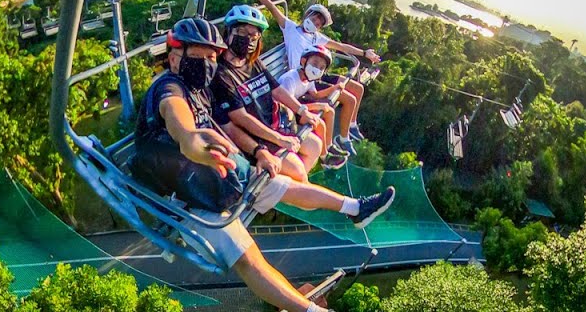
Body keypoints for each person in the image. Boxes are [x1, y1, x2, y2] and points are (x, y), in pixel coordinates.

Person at [131, 17, 396, 312]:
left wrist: (251, 154)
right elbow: (178, 120)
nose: (207, 63)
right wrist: (192, 140)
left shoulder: (200, 89)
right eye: (198, 55)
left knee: (286, 186)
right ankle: (310, 311)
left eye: (211, 56)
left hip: (219, 176)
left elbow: (221, 125)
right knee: (248, 257)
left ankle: (355, 208)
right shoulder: (169, 88)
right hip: (189, 195)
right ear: (174, 57)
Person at [232, 0, 381, 156]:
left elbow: (342, 47)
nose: (315, 24)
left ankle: (350, 127)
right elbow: (270, 6)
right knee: (347, 97)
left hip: (313, 75)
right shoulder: (290, 28)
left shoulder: (317, 38)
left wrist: (364, 53)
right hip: (300, 77)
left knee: (358, 88)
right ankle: (341, 139)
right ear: (307, 15)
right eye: (314, 19)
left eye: (318, 24)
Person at [211, 5, 325, 181]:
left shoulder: (253, 63)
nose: (248, 39)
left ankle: (287, 188)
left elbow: (277, 90)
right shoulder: (222, 74)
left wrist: (301, 110)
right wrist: (278, 139)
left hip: (275, 123)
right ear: (229, 33)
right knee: (298, 172)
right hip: (258, 136)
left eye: (253, 35)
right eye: (242, 32)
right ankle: (289, 189)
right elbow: (240, 117)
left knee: (315, 146)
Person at [279, 44, 348, 168]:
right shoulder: (290, 79)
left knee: (329, 111)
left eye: (321, 67)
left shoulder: (308, 78)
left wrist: (335, 88)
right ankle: (325, 157)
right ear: (304, 61)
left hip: (295, 106)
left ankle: (329, 145)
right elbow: (287, 104)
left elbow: (315, 94)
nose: (317, 69)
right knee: (319, 123)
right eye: (315, 64)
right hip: (284, 111)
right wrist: (316, 106)